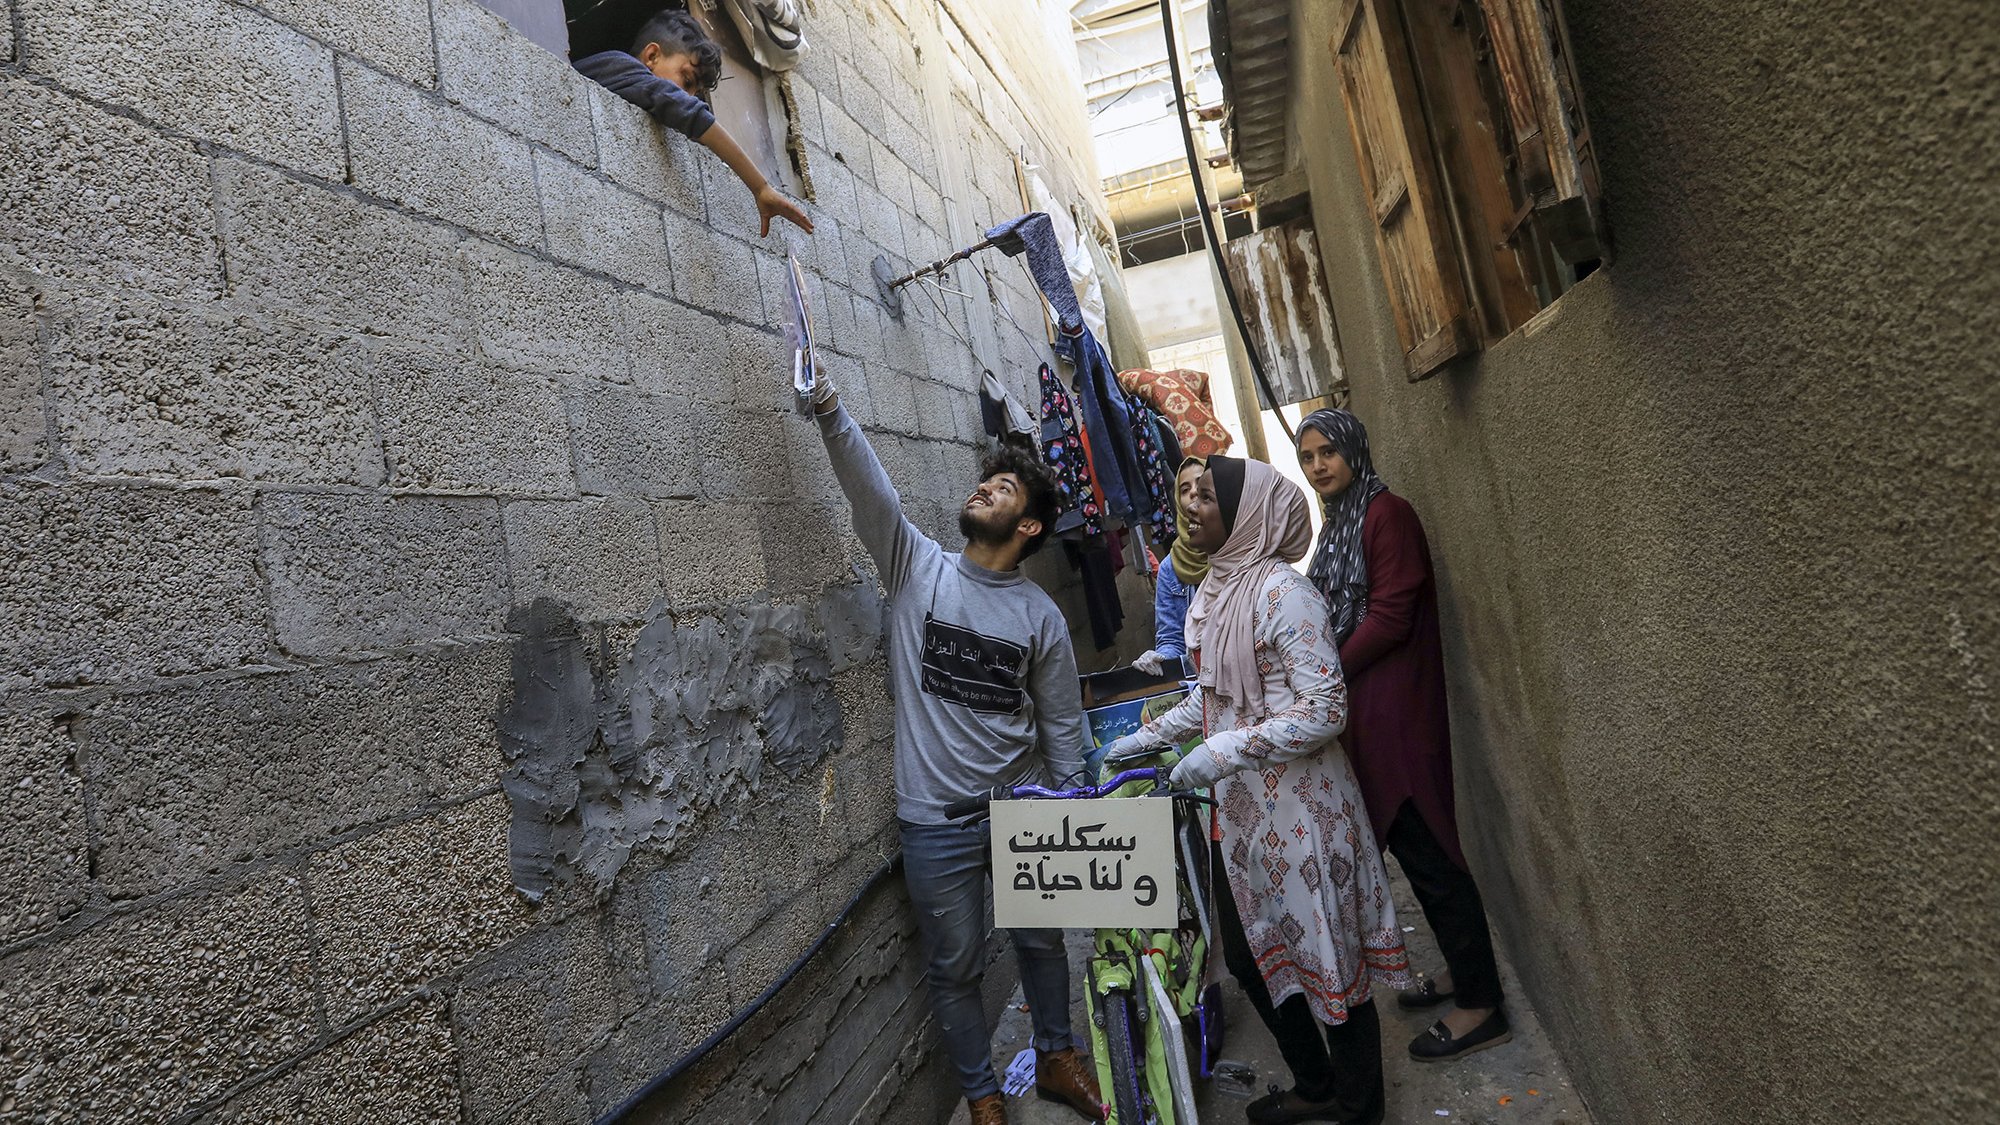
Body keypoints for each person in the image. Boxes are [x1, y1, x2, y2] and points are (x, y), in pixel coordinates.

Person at [797, 372, 1102, 1124]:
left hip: (1023, 806)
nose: (985, 489)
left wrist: (1071, 812)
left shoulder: (1039, 617)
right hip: (935, 820)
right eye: (986, 482)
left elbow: (1062, 724)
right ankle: (983, 1097)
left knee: (1041, 940)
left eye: (1004, 489)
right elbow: (872, 494)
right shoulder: (916, 567)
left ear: (1028, 527)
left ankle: (1057, 1057)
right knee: (956, 964)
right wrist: (830, 406)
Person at [1102, 456, 1410, 1125]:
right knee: (1248, 955)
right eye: (1189, 495)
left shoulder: (1283, 594)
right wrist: (1146, 737)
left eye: (1207, 497)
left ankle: (1361, 1106)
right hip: (1242, 818)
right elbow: (1213, 699)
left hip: (1304, 812)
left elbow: (1326, 708)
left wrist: (1223, 750)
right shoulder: (1217, 591)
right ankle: (1316, 1083)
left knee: (1329, 954)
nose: (1190, 506)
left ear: (1244, 515)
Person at [1296, 408, 1511, 1063]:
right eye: (1307, 457)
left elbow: (1390, 617)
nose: (1318, 465)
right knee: (1418, 855)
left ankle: (1482, 1006)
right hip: (1369, 709)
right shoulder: (1341, 522)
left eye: (1328, 451)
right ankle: (1461, 974)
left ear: (1354, 450)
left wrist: (1325, 673)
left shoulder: (1387, 514)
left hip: (1398, 711)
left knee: (1430, 851)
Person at [574, 9, 813, 236]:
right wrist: (761, 188)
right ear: (652, 56)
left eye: (694, 92)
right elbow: (688, 111)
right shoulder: (619, 65)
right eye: (687, 80)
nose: (687, 96)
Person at [1132, 457, 1208, 676]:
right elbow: (1172, 639)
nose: (1193, 492)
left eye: (1200, 483)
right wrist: (1160, 658)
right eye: (1184, 489)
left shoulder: (1235, 552)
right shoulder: (1172, 567)